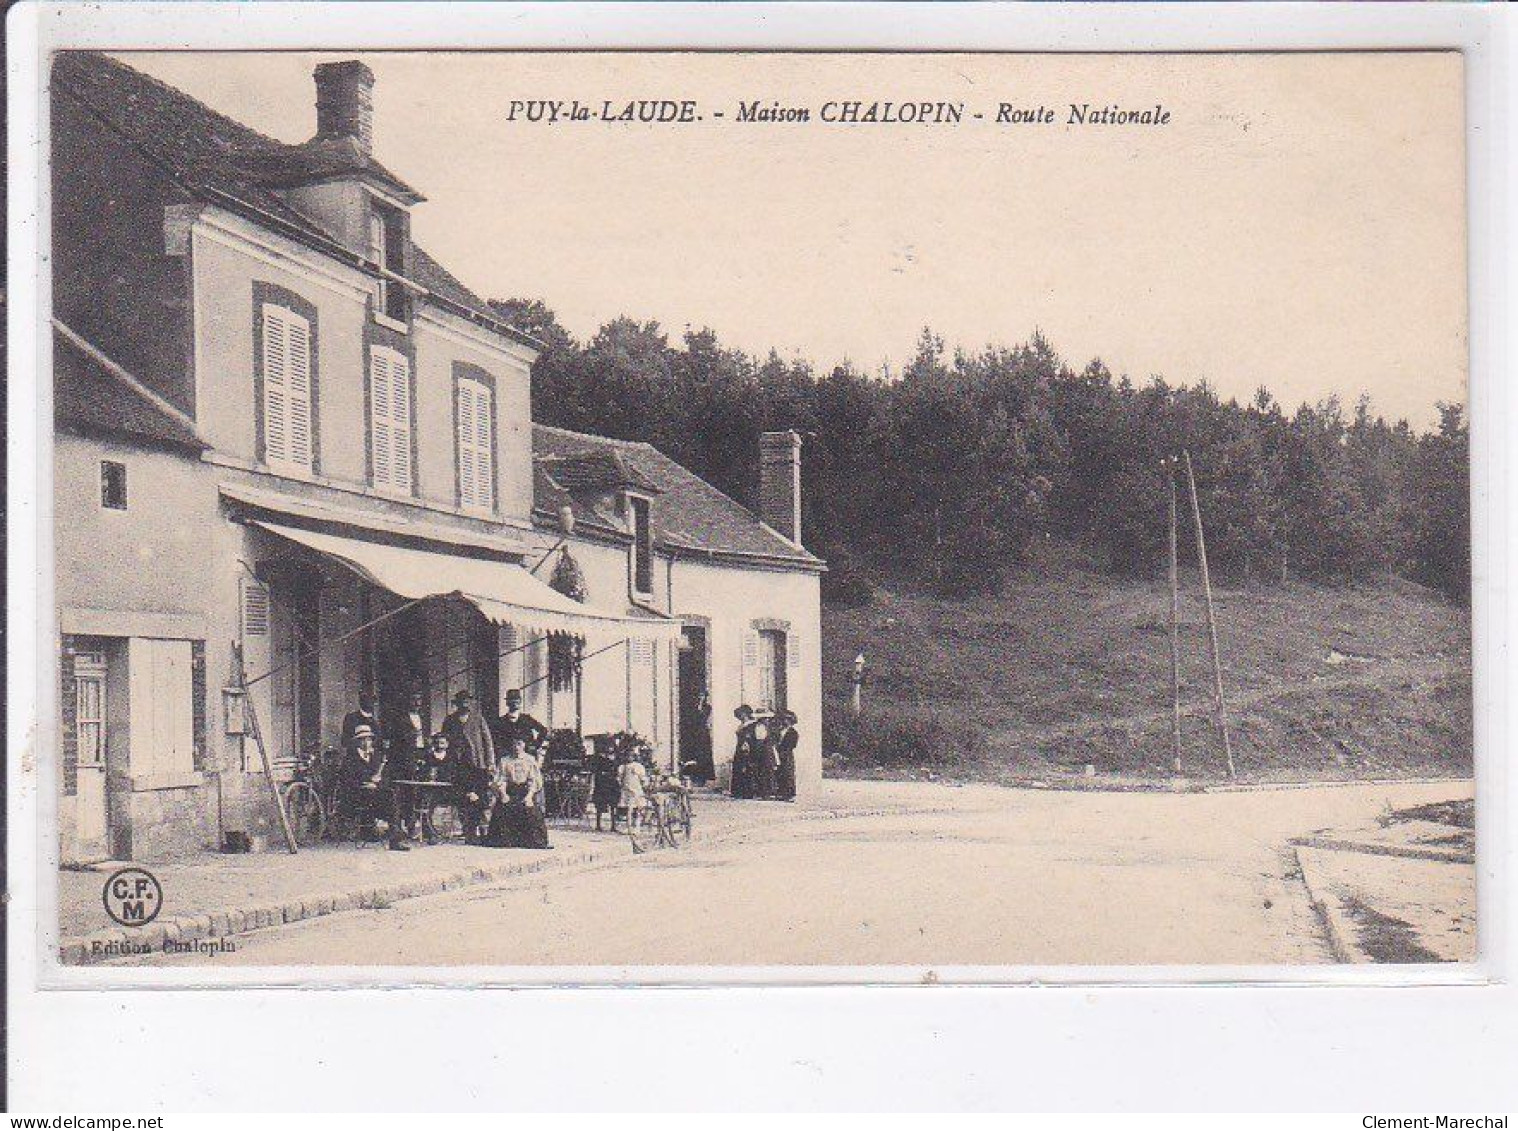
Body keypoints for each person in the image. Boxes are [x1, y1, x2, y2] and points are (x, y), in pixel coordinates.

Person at [340, 723, 408, 851]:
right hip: (357, 796)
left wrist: (378, 782)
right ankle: (395, 834)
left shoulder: (375, 758)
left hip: (374, 796)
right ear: (357, 742)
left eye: (369, 739)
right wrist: (365, 783)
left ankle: (394, 836)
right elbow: (346, 781)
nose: (367, 742)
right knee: (390, 798)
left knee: (392, 795)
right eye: (363, 739)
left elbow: (383, 777)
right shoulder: (350, 759)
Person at [487, 739, 551, 849]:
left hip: (525, 791)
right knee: (503, 810)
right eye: (514, 744)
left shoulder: (530, 760)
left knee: (531, 811)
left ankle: (530, 841)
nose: (517, 747)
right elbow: (502, 779)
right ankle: (507, 841)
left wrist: (529, 796)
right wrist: (503, 794)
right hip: (509, 790)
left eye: (519, 744)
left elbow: (533, 780)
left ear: (524, 745)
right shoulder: (505, 760)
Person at [441, 689, 495, 777]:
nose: (465, 704)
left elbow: (488, 742)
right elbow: (443, 740)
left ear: (471, 702)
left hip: (476, 761)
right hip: (457, 762)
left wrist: (490, 763)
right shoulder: (449, 720)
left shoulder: (478, 719)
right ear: (457, 703)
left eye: (467, 701)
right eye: (462, 701)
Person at [617, 747, 651, 831]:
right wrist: (621, 784)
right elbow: (619, 778)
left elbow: (642, 778)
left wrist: (644, 784)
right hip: (626, 790)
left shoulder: (638, 766)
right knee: (628, 809)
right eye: (627, 756)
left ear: (634, 757)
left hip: (636, 789)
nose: (629, 758)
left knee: (637, 808)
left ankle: (637, 826)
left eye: (631, 756)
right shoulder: (622, 767)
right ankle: (629, 826)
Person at [590, 739, 620, 832]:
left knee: (613, 805)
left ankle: (613, 826)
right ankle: (598, 825)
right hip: (602, 783)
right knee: (600, 805)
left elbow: (616, 771)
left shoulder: (615, 759)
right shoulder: (598, 759)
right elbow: (595, 770)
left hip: (611, 783)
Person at [729, 706, 756, 799]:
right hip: (739, 748)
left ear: (745, 714)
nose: (739, 717)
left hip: (747, 749)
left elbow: (750, 738)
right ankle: (738, 791)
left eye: (740, 715)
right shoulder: (742, 725)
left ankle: (747, 792)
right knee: (738, 769)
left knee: (746, 769)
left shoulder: (751, 725)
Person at [774, 710, 799, 802]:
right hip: (779, 753)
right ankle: (781, 792)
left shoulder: (793, 732)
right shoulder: (780, 731)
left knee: (788, 773)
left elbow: (793, 744)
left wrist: (783, 748)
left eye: (786, 719)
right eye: (783, 719)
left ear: (790, 721)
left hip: (787, 754)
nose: (784, 721)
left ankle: (790, 794)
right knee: (780, 772)